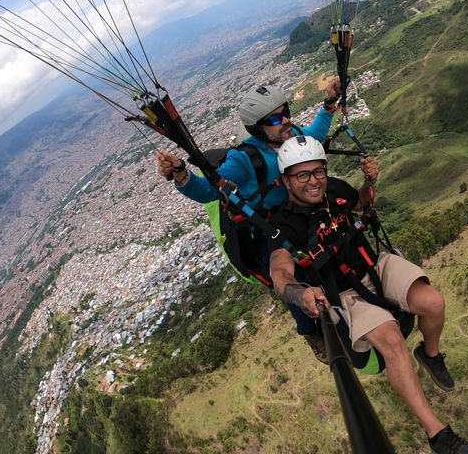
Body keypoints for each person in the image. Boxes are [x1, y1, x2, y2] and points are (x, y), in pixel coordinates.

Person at [267, 136, 468, 454]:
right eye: (302, 175)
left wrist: (371, 180)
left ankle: (430, 356)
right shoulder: (283, 224)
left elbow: (362, 201)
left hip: (373, 267)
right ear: (286, 180)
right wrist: (301, 295)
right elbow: (279, 272)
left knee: (434, 302)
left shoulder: (334, 189)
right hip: (345, 295)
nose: (313, 181)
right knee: (392, 339)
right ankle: (438, 435)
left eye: (318, 171)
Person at [157, 81, 369, 364]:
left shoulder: (289, 137)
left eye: (286, 111)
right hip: (269, 230)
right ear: (257, 128)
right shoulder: (245, 159)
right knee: (287, 277)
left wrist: (329, 105)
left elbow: (314, 134)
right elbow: (210, 190)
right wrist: (181, 175)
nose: (285, 120)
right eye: (274, 118)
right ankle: (309, 331)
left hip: (299, 215)